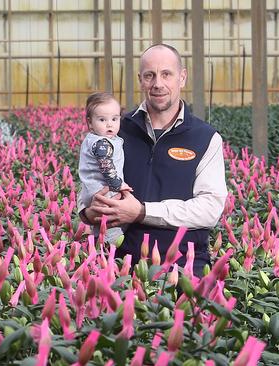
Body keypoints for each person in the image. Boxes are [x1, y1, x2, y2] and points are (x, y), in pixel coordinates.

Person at [81, 44, 227, 276]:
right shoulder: (117, 130)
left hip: (185, 267)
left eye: (166, 74)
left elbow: (210, 209)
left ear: (182, 78)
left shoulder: (205, 138)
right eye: (150, 75)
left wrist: (142, 212)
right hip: (120, 267)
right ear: (141, 80)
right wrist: (89, 213)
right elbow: (91, 180)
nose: (158, 83)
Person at [77, 92, 130, 245]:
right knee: (109, 212)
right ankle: (110, 239)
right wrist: (118, 184)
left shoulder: (100, 139)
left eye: (115, 119)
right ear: (90, 123)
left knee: (103, 217)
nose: (109, 124)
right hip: (102, 188)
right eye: (102, 120)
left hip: (91, 188)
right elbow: (106, 166)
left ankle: (100, 238)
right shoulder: (101, 143)